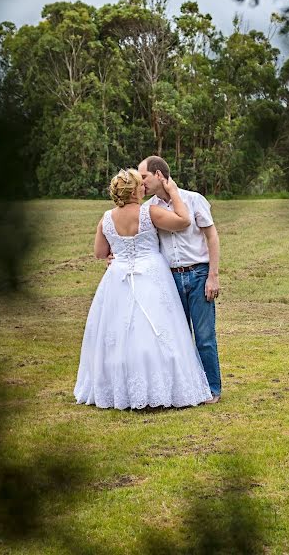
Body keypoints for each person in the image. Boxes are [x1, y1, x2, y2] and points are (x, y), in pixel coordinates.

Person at [74, 168, 212, 410]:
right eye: (141, 185)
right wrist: (174, 193)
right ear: (135, 190)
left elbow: (98, 252)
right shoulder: (149, 213)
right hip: (151, 274)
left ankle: (122, 391)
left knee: (119, 333)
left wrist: (116, 253)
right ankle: (161, 389)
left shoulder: (106, 218)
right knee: (156, 330)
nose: (144, 188)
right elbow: (183, 221)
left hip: (118, 278)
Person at [138, 156, 222, 404]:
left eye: (144, 177)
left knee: (204, 337)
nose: (140, 182)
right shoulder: (149, 209)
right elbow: (138, 238)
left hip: (198, 275)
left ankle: (212, 389)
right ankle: (186, 390)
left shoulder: (193, 199)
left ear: (159, 176)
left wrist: (213, 276)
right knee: (177, 337)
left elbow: (212, 237)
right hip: (169, 279)